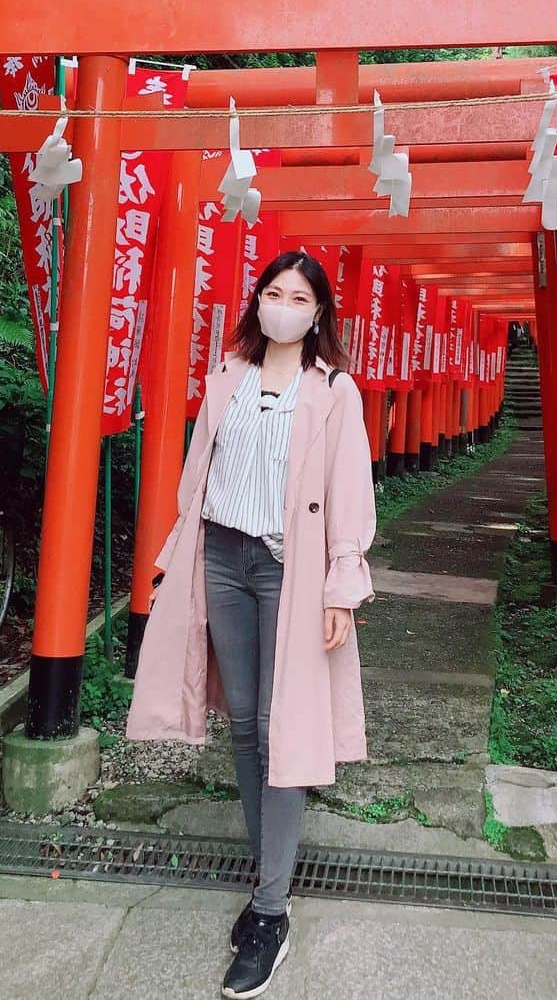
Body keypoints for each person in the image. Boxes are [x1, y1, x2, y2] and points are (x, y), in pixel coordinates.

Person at [126, 250, 377, 999]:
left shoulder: (333, 391)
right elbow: (198, 469)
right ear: (257, 302)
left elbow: (348, 489)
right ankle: (267, 873)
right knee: (243, 725)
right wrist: (179, 551)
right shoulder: (226, 378)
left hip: (286, 567)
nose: (283, 306)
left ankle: (271, 909)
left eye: (298, 296)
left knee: (280, 727)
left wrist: (341, 582)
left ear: (318, 313)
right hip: (222, 558)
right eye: (273, 292)